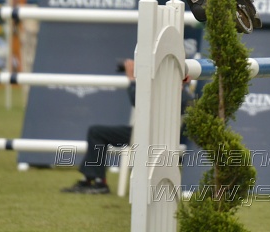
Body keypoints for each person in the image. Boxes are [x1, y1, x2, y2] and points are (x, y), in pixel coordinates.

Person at [61, 57, 195, 194]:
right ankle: (92, 180)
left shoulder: (179, 94)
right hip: (148, 132)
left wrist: (132, 79)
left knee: (96, 132)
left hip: (150, 135)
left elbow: (138, 101)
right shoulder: (178, 93)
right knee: (97, 132)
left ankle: (96, 181)